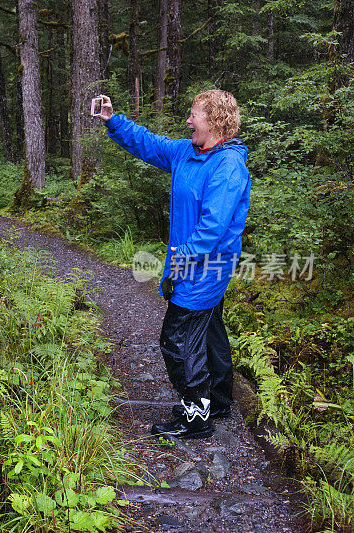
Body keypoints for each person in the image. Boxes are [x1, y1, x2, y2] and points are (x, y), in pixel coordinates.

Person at [96, 90, 251, 439]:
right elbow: (149, 144)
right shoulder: (187, 152)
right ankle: (220, 400)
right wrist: (113, 120)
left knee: (177, 340)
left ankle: (197, 417)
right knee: (209, 330)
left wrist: (177, 266)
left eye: (194, 114)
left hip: (205, 268)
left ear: (215, 121)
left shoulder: (228, 167)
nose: (188, 121)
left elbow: (213, 229)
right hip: (191, 263)